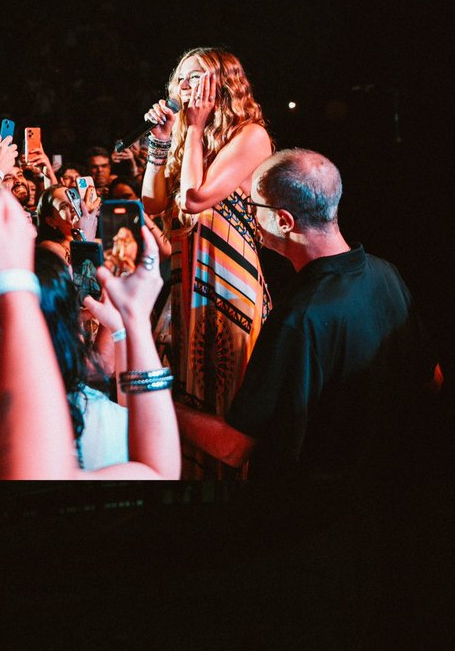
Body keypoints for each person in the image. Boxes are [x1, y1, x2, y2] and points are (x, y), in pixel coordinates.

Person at [175, 148, 438, 477]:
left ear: (284, 221)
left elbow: (233, 447)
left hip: (317, 511)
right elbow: (432, 379)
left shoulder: (297, 319)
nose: (248, 214)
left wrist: (152, 404)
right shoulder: (386, 274)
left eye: (253, 206)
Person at [142, 47, 274, 478]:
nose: (185, 86)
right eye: (180, 78)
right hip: (185, 280)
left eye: (196, 77)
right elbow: (153, 201)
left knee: (224, 391)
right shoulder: (186, 134)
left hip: (227, 279)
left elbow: (193, 200)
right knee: (182, 389)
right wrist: (162, 141)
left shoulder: (251, 135)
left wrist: (194, 130)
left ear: (225, 85)